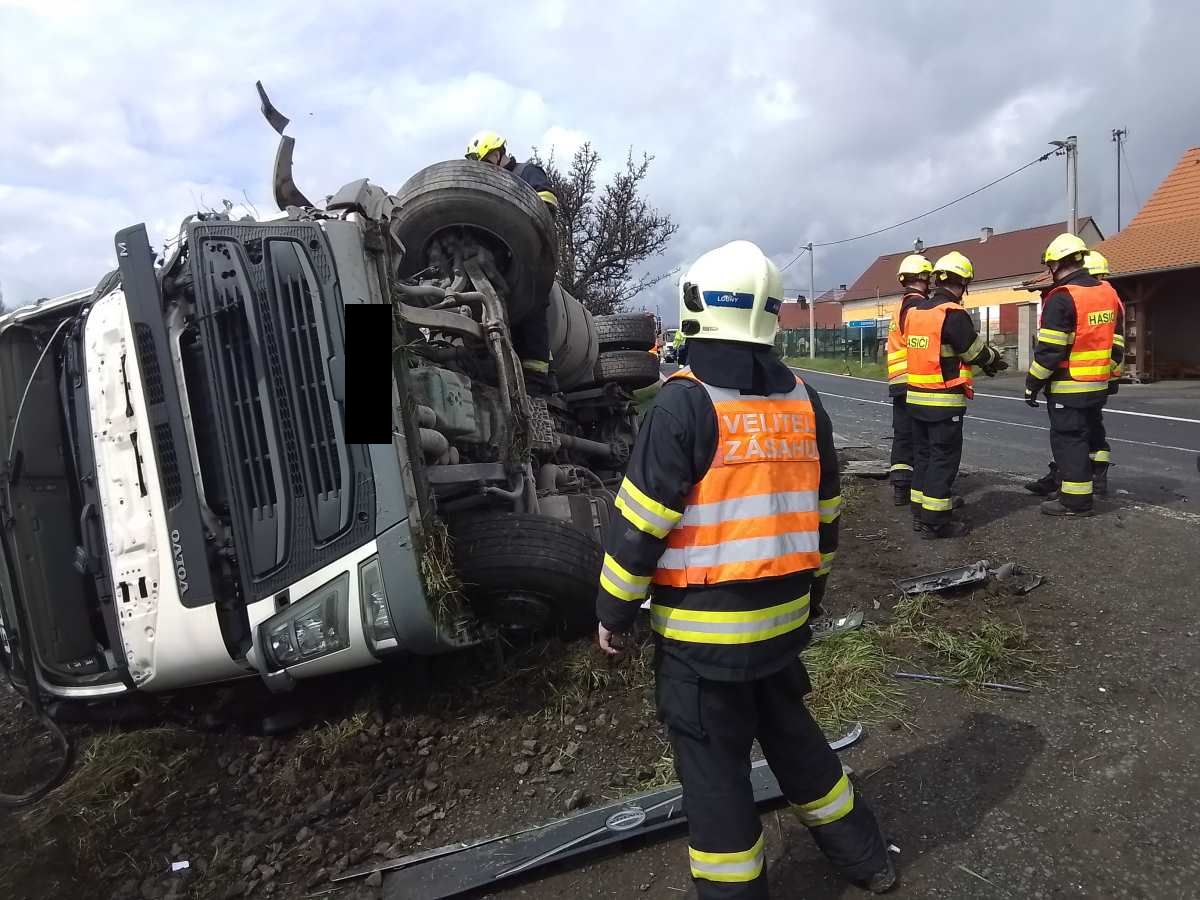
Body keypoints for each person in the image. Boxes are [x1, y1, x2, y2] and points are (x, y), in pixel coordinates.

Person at [595, 240, 897, 898]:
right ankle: (868, 859)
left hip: (701, 643)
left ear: (697, 308)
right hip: (782, 628)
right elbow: (827, 518)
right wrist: (811, 599)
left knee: (716, 781)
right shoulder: (805, 401)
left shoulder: (681, 405)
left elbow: (639, 529)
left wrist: (612, 613)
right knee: (799, 746)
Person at [903, 251, 1007, 539]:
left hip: (916, 398)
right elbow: (972, 351)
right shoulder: (953, 313)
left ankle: (919, 511)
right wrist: (993, 359)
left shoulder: (916, 312)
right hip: (943, 400)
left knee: (923, 456)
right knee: (943, 459)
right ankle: (935, 522)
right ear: (963, 283)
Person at [1022, 235, 1123, 516]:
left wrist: (1032, 384)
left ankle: (1075, 502)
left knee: (1070, 440)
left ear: (1056, 264)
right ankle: (1090, 484)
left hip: (1069, 385)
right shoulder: (1108, 294)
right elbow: (1116, 341)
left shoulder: (1062, 297)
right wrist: (1110, 374)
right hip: (1098, 383)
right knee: (1091, 433)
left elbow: (1050, 351)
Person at [465, 130, 561, 394]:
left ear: (498, 154)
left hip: (531, 256)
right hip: (499, 262)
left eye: (486, 161)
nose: (485, 169)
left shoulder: (527, 172)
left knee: (532, 309)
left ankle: (537, 378)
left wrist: (516, 214)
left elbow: (547, 203)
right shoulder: (487, 185)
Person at [885, 254, 933, 506]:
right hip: (916, 379)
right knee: (922, 437)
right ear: (924, 277)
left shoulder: (898, 307)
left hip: (898, 381)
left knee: (903, 435)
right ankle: (923, 490)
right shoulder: (919, 308)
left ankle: (900, 488)